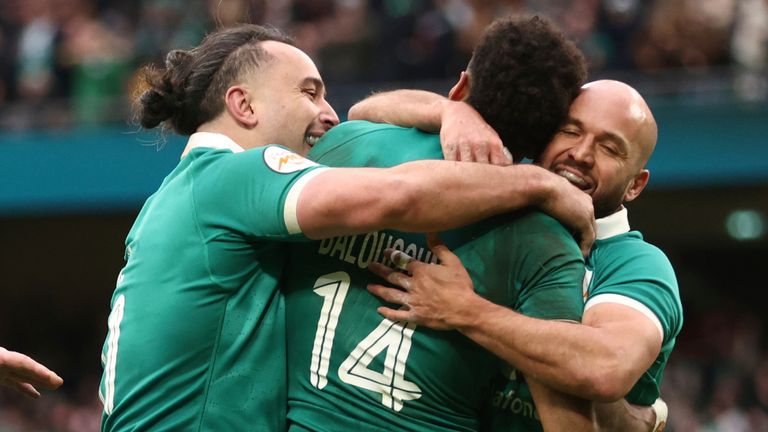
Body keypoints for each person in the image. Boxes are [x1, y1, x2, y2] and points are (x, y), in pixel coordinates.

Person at [97, 24, 596, 431]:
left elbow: (364, 118)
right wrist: (539, 183)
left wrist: (450, 110)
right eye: (309, 93)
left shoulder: (173, 198)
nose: (329, 114)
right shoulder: (238, 176)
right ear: (243, 106)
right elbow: (400, 197)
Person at [281, 15, 597, 431]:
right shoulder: (549, 242)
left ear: (462, 86)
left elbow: (362, 110)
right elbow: (566, 420)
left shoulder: (346, 141)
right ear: (547, 137)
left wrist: (446, 109)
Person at [367, 80, 684, 431]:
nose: (581, 154)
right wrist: (450, 112)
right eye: (569, 131)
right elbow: (365, 111)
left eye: (609, 148)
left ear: (635, 185)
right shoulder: (495, 203)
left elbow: (605, 367)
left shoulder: (635, 265)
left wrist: (465, 310)